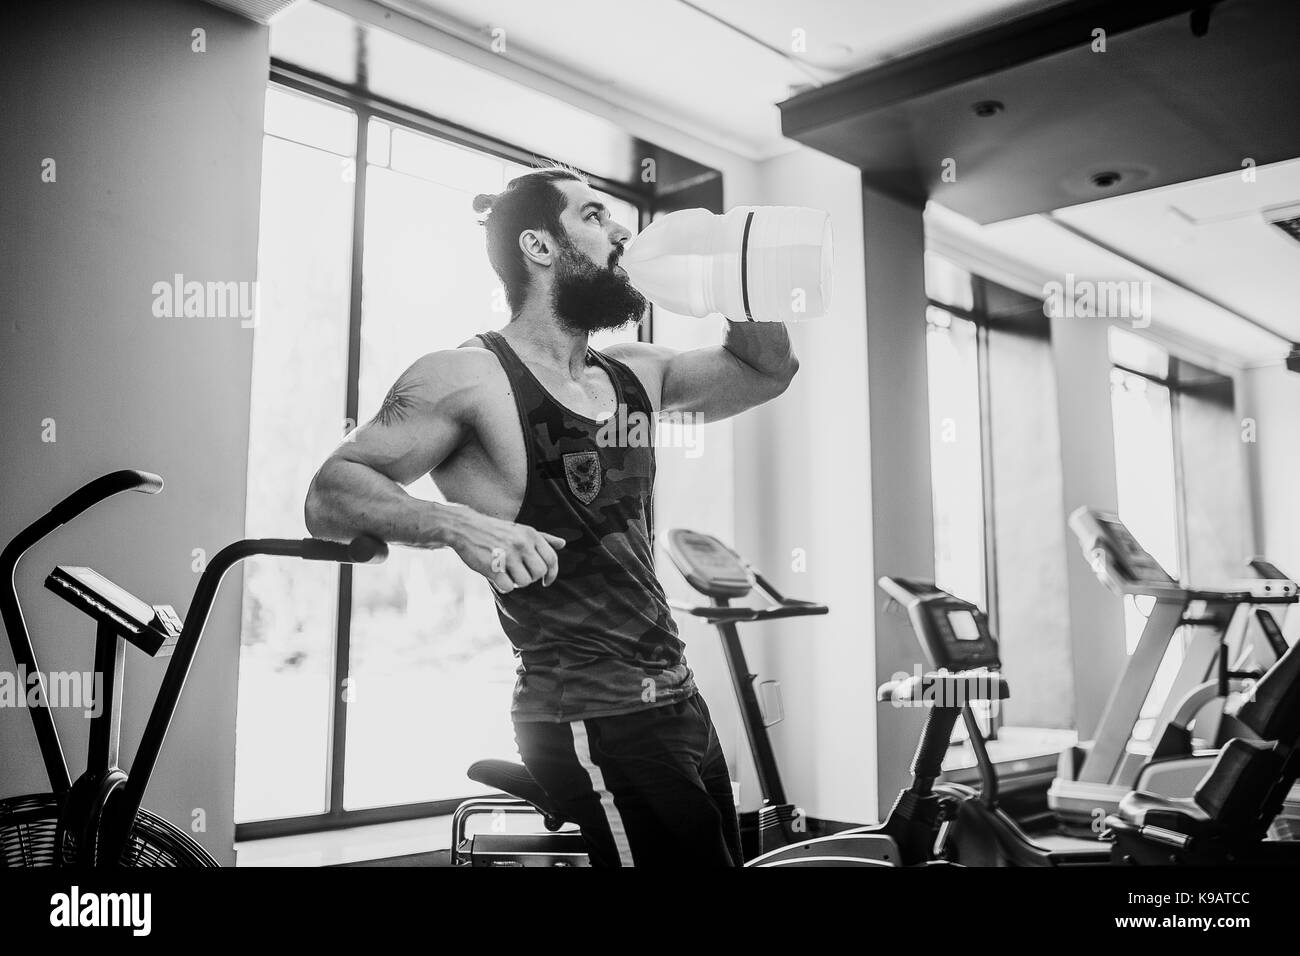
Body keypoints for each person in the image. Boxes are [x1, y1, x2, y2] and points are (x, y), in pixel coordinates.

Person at [304, 164, 800, 866]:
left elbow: (765, 372)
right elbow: (330, 493)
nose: (621, 230)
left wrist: (739, 277)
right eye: (595, 216)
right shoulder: (467, 377)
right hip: (589, 716)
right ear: (539, 248)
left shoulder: (633, 373)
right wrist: (458, 525)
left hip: (676, 700)